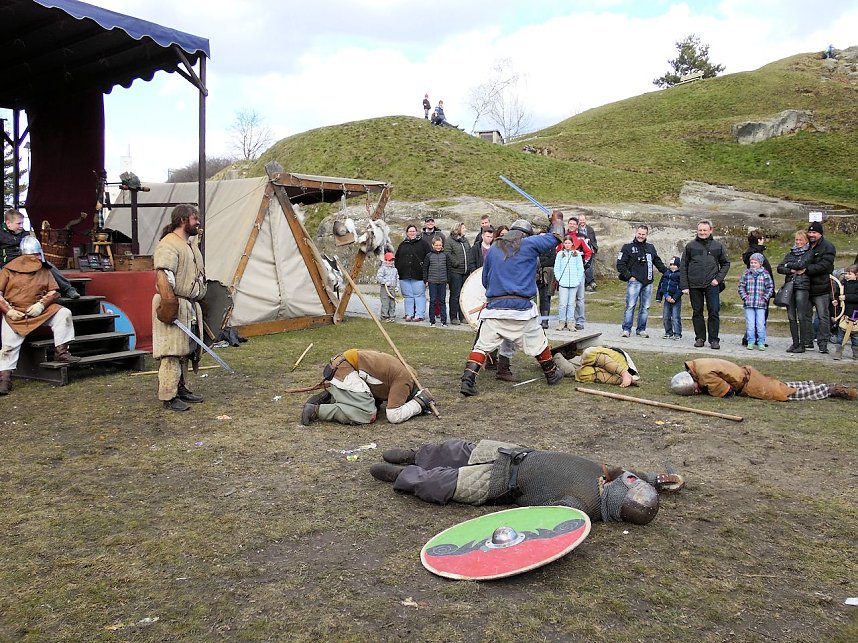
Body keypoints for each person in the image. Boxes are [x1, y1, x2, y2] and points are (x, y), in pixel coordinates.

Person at [369, 438, 684, 526]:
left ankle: (403, 476)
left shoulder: (583, 506)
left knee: (444, 483)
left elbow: (541, 521)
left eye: (628, 482)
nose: (625, 476)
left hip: (500, 482)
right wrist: (658, 480)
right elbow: (631, 475)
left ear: (618, 499)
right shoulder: (610, 479)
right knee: (458, 449)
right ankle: (416, 455)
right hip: (515, 452)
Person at [458, 213, 566, 396]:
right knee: (539, 341)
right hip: (521, 310)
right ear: (525, 234)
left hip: (495, 309)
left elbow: (485, 281)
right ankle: (551, 373)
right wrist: (557, 220)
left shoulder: (493, 249)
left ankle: (467, 381)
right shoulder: (529, 243)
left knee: (482, 347)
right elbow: (557, 237)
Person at [0, 236, 81, 395]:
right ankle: (4, 380)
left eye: (37, 255)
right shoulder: (7, 270)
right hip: (15, 313)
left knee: (63, 313)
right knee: (8, 347)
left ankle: (62, 352)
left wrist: (41, 305)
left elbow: (54, 292)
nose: (36, 258)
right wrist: (8, 311)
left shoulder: (44, 270)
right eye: (33, 255)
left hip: (40, 311)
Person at [151, 204, 207, 412]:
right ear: (183, 220)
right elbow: (163, 277)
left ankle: (181, 388)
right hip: (173, 303)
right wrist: (169, 306)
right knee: (171, 352)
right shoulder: (168, 244)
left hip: (188, 305)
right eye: (194, 218)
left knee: (185, 351)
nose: (198, 222)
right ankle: (169, 395)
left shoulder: (189, 245)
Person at [300, 349, 434, 425]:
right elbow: (394, 415)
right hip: (344, 368)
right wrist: (419, 403)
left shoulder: (405, 375)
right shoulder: (405, 380)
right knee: (367, 413)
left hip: (343, 365)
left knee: (372, 403)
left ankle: (336, 394)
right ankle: (316, 410)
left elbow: (376, 381)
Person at [670, 358, 857, 401]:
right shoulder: (697, 365)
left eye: (695, 389)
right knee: (782, 386)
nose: (697, 391)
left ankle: (830, 390)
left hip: (748, 383)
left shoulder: (704, 375)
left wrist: (707, 390)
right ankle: (818, 385)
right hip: (747, 373)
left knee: (786, 394)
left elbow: (725, 392)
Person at [2, 209, 80, 299]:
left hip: (27, 259)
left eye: (22, 223)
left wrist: (41, 260)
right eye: (18, 223)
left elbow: (33, 247)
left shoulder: (24, 234)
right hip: (9, 263)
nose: (21, 226)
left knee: (48, 266)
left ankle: (68, 289)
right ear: (8, 223)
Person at [680, 219, 730, 350]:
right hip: (694, 285)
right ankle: (700, 338)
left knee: (714, 311)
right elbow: (683, 266)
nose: (702, 232)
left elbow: (726, 263)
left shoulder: (717, 246)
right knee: (697, 312)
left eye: (705, 230)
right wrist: (684, 286)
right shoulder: (690, 246)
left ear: (710, 230)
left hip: (711, 284)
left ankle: (714, 339)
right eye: (700, 230)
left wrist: (718, 279)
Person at [616, 225, 667, 339]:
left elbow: (657, 262)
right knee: (630, 305)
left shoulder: (650, 247)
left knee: (645, 307)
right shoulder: (627, 247)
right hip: (634, 281)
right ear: (636, 233)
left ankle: (641, 329)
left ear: (647, 235)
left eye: (643, 234)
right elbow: (620, 264)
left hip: (648, 282)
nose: (641, 236)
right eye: (639, 233)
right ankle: (626, 329)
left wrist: (667, 272)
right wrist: (629, 276)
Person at [777, 230, 813, 353]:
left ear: (806, 241)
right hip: (790, 285)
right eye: (796, 240)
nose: (798, 242)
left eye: (800, 240)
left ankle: (802, 344)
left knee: (801, 316)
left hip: (802, 286)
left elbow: (802, 264)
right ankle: (795, 342)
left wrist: (788, 265)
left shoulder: (809, 253)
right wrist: (791, 269)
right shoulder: (790, 253)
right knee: (791, 316)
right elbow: (780, 268)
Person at [804, 221, 836, 354]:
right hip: (806, 287)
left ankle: (823, 343)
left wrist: (806, 269)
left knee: (823, 317)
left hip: (822, 288)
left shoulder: (828, 247)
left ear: (820, 234)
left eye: (814, 232)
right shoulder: (805, 245)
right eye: (810, 232)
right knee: (805, 316)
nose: (811, 235)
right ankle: (807, 341)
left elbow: (826, 266)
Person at [741, 230, 773, 346]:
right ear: (759, 240)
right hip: (759, 291)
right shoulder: (756, 254)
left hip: (759, 291)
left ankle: (752, 337)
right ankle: (753, 338)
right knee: (758, 317)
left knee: (756, 317)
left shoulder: (752, 252)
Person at [553, 346, 640, 388]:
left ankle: (625, 375)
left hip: (620, 361)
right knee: (581, 374)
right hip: (615, 370)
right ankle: (624, 379)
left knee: (589, 354)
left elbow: (595, 353)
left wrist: (624, 372)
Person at [394, 224, 429, 322]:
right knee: (408, 296)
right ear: (407, 233)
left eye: (413, 231)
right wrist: (399, 270)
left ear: (416, 232)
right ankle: (409, 314)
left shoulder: (423, 244)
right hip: (404, 275)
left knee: (419, 296)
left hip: (418, 275)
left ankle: (419, 314)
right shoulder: (402, 245)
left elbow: (428, 258)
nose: (412, 233)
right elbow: (397, 258)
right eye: (410, 231)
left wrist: (426, 274)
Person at [564, 216, 592, 330]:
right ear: (568, 224)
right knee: (566, 298)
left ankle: (580, 321)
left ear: (577, 225)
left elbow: (589, 252)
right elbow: (558, 252)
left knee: (579, 298)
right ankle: (567, 320)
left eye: (574, 224)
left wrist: (584, 265)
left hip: (578, 272)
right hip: (566, 273)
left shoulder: (582, 237)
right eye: (570, 223)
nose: (572, 225)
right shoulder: (563, 236)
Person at [553, 238, 585, 331]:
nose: (567, 245)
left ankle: (570, 322)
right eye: (565, 243)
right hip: (563, 283)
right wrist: (559, 278)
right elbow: (557, 268)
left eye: (569, 243)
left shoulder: (577, 254)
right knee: (563, 304)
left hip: (574, 283)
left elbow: (580, 268)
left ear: (572, 244)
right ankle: (562, 322)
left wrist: (578, 279)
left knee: (571, 304)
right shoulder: (560, 254)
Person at [444, 222, 471, 325]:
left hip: (465, 272)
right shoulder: (449, 241)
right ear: (457, 229)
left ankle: (462, 316)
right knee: (455, 295)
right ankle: (453, 317)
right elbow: (447, 254)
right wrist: (455, 263)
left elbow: (469, 252)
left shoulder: (465, 240)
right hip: (455, 272)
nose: (465, 229)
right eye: (463, 228)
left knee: (463, 296)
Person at [832, 264, 858, 361]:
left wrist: (846, 297)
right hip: (844, 313)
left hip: (855, 313)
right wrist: (836, 301)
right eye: (846, 273)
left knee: (855, 336)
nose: (846, 275)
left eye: (849, 274)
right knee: (840, 335)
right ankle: (838, 352)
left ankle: (856, 353)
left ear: (856, 275)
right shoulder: (843, 284)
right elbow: (838, 295)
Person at [424, 237, 450, 327]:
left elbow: (448, 268)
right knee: (433, 301)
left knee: (442, 301)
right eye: (436, 245)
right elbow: (425, 268)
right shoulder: (429, 256)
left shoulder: (445, 255)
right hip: (432, 281)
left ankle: (444, 321)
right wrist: (426, 280)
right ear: (433, 245)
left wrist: (448, 279)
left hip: (443, 281)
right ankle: (432, 320)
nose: (438, 247)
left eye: (440, 245)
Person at [656, 256, 683, 339]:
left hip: (676, 299)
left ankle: (677, 333)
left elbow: (681, 288)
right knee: (666, 316)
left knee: (675, 317)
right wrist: (660, 297)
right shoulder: (666, 274)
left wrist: (674, 298)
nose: (672, 266)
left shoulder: (680, 275)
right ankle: (668, 332)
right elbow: (661, 286)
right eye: (671, 265)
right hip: (667, 298)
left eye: (674, 265)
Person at [536, 239, 557, 330]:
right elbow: (535, 259)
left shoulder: (552, 248)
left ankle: (545, 321)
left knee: (545, 298)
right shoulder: (536, 248)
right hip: (535, 274)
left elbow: (552, 260)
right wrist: (543, 260)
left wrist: (541, 263)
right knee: (535, 298)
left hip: (547, 276)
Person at [576, 213, 599, 291]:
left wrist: (594, 248)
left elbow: (594, 240)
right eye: (580, 220)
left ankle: (590, 282)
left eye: (583, 220)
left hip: (589, 250)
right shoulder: (577, 230)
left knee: (589, 267)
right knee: (582, 267)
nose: (582, 221)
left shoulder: (590, 229)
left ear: (586, 220)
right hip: (580, 251)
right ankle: (589, 283)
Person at [376, 251, 399, 323]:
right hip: (385, 288)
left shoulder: (395, 269)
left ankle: (392, 316)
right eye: (390, 260)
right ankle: (384, 316)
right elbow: (379, 277)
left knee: (392, 303)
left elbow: (397, 278)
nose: (391, 262)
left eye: (392, 260)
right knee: (385, 303)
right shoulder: (382, 269)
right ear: (385, 260)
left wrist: (397, 286)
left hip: (392, 288)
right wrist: (385, 282)